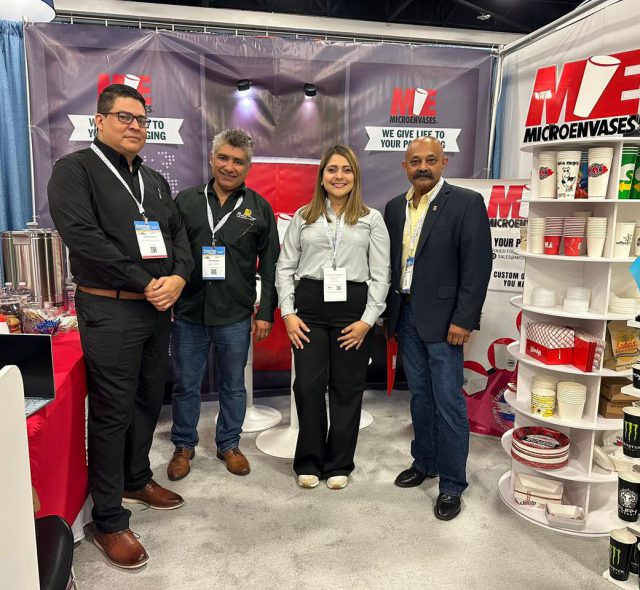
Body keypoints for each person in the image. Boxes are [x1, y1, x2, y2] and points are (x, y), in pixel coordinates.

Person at [48, 84, 194, 569]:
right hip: (109, 309)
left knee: (149, 400)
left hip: (156, 309)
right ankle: (108, 519)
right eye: (124, 117)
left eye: (142, 119)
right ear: (100, 120)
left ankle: (136, 478)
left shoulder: (154, 179)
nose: (135, 126)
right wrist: (145, 281)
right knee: (112, 413)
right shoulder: (74, 170)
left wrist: (178, 277)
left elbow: (177, 236)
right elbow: (83, 238)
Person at [383, 137, 492, 521]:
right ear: (405, 166)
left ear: (444, 162)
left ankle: (452, 482)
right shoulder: (394, 208)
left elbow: (478, 265)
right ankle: (424, 461)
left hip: (446, 321)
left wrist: (464, 319)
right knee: (420, 397)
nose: (423, 167)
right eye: (415, 161)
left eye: (431, 160)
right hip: (406, 314)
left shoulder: (466, 203)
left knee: (448, 401)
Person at [276, 144, 390, 490]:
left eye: (346, 169)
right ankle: (309, 460)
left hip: (353, 310)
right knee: (307, 386)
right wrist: (288, 312)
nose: (339, 176)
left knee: (347, 387)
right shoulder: (304, 216)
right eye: (332, 169)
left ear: (355, 176)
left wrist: (367, 320)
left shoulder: (371, 219)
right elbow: (285, 267)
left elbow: (381, 274)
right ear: (322, 176)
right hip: (309, 308)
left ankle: (339, 462)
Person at [167, 129, 279, 480]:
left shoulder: (259, 208)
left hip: (234, 314)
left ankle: (229, 443)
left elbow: (271, 265)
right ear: (212, 159)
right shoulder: (185, 201)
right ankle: (183, 445)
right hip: (189, 311)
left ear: (248, 167)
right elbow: (170, 254)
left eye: (238, 162)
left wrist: (266, 312)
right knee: (186, 384)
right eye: (224, 158)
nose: (230, 167)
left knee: (234, 385)